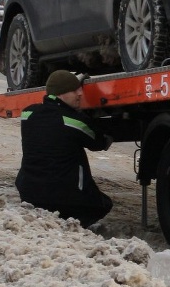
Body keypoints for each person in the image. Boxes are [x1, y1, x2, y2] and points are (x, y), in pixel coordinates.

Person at [15, 69, 114, 228]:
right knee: (103, 204)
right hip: (65, 198)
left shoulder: (28, 114)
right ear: (62, 94)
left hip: (29, 192)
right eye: (75, 90)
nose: (80, 94)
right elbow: (100, 143)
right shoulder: (73, 122)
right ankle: (73, 224)